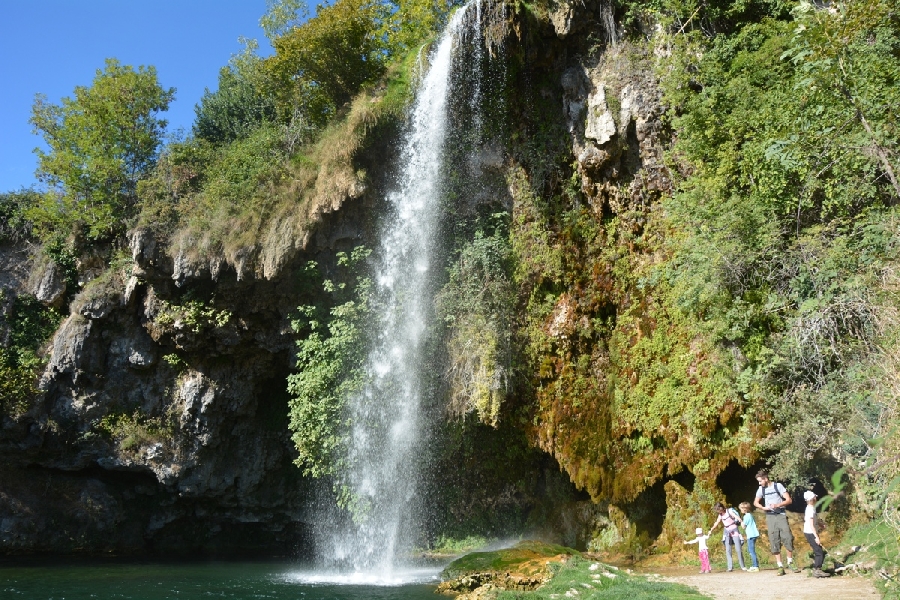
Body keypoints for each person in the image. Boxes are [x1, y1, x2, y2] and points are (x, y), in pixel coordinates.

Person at [754, 469, 799, 575]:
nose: (759, 483)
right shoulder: (761, 489)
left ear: (766, 478)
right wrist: (763, 507)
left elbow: (789, 500)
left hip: (781, 515)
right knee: (774, 539)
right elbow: (755, 502)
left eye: (760, 481)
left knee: (787, 537)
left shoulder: (777, 486)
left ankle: (790, 562)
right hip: (770, 516)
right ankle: (780, 566)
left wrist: (778, 505)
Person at [709, 502, 746, 571]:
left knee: (738, 549)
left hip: (734, 530)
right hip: (726, 532)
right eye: (717, 510)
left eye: (718, 509)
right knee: (728, 550)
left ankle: (742, 566)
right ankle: (730, 567)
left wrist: (741, 522)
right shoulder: (720, 515)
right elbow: (717, 522)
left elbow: (736, 517)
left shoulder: (729, 511)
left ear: (721, 508)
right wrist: (711, 529)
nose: (718, 511)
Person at [803, 490, 831, 578]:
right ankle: (817, 570)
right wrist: (816, 537)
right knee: (819, 552)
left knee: (818, 551)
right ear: (813, 499)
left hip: (809, 532)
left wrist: (820, 524)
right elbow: (811, 525)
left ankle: (817, 569)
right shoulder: (810, 509)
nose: (816, 498)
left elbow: (811, 520)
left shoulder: (810, 508)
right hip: (810, 532)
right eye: (815, 497)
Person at [739, 501, 760, 572]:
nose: (740, 510)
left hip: (751, 535)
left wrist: (741, 521)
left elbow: (743, 527)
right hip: (754, 534)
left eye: (741, 509)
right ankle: (755, 565)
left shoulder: (746, 516)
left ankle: (755, 566)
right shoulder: (750, 515)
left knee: (751, 551)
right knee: (751, 550)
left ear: (744, 509)